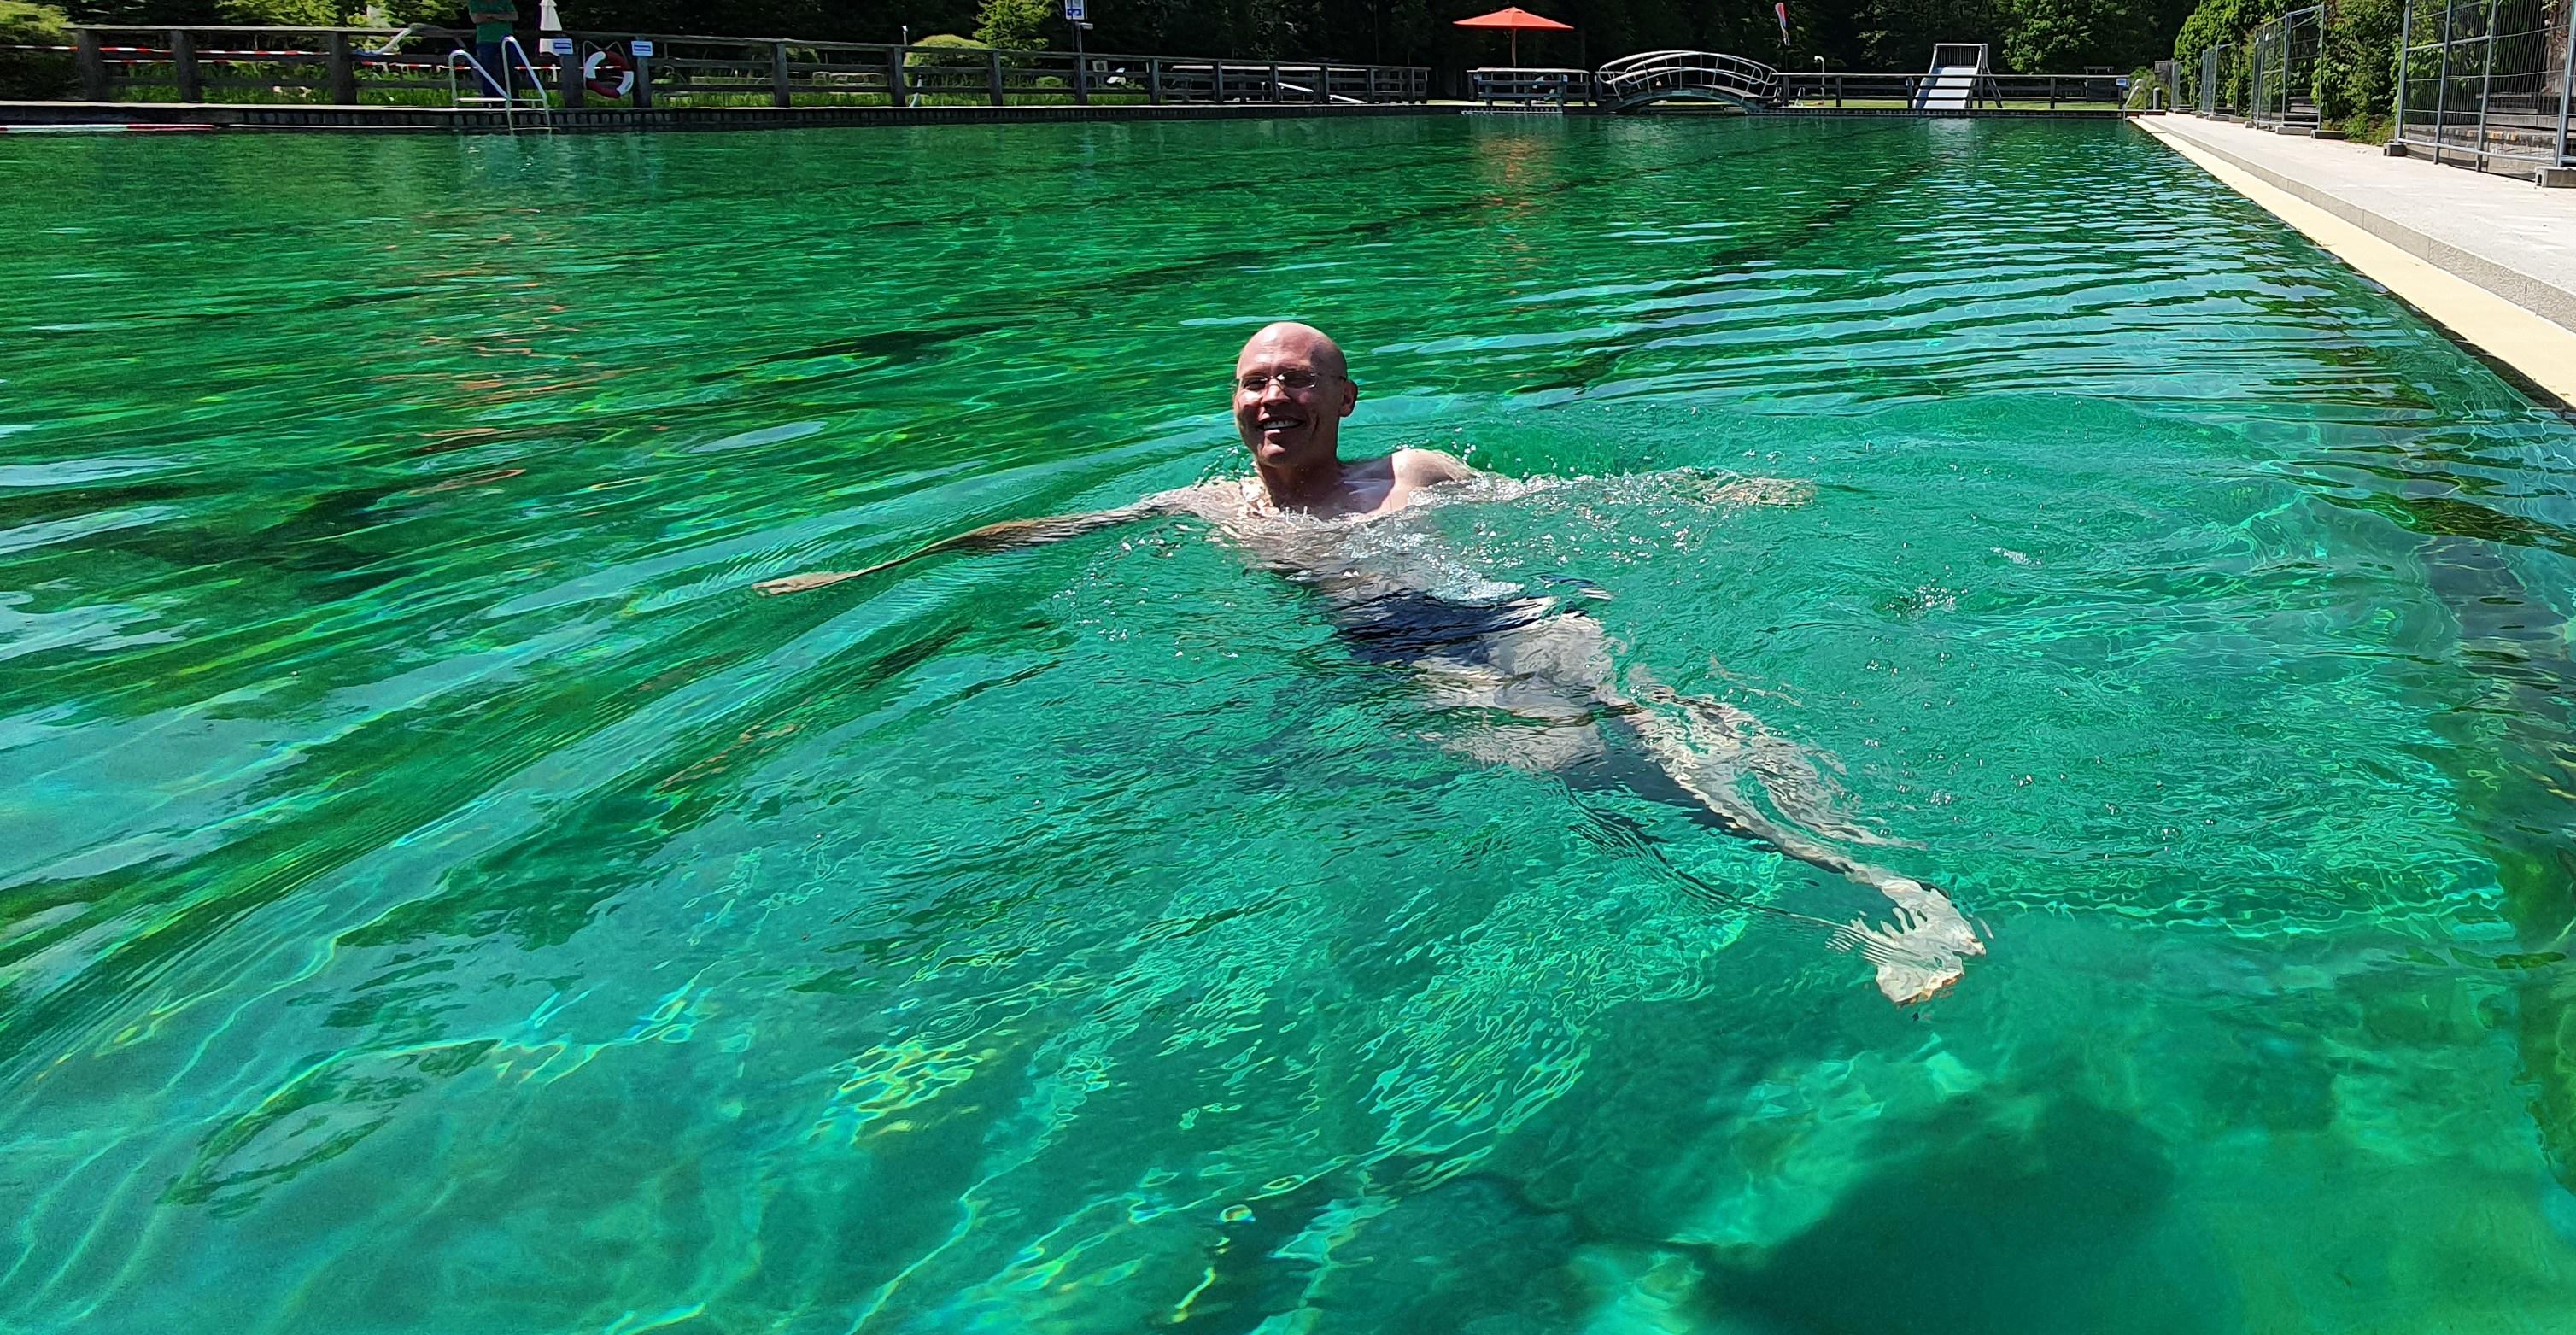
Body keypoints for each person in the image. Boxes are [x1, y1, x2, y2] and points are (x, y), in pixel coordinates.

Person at [759, 320, 1978, 1002]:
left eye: (1296, 378)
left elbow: (1573, 496)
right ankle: (1830, 902)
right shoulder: (1206, 512)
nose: (1271, 396)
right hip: (1404, 659)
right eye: (1252, 382)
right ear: (1231, 406)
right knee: (1576, 764)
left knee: (1668, 715)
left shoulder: (1413, 475)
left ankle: (1880, 878)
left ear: (1344, 398)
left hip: (1508, 611)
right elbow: (1049, 533)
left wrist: (1719, 493)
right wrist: (871, 574)